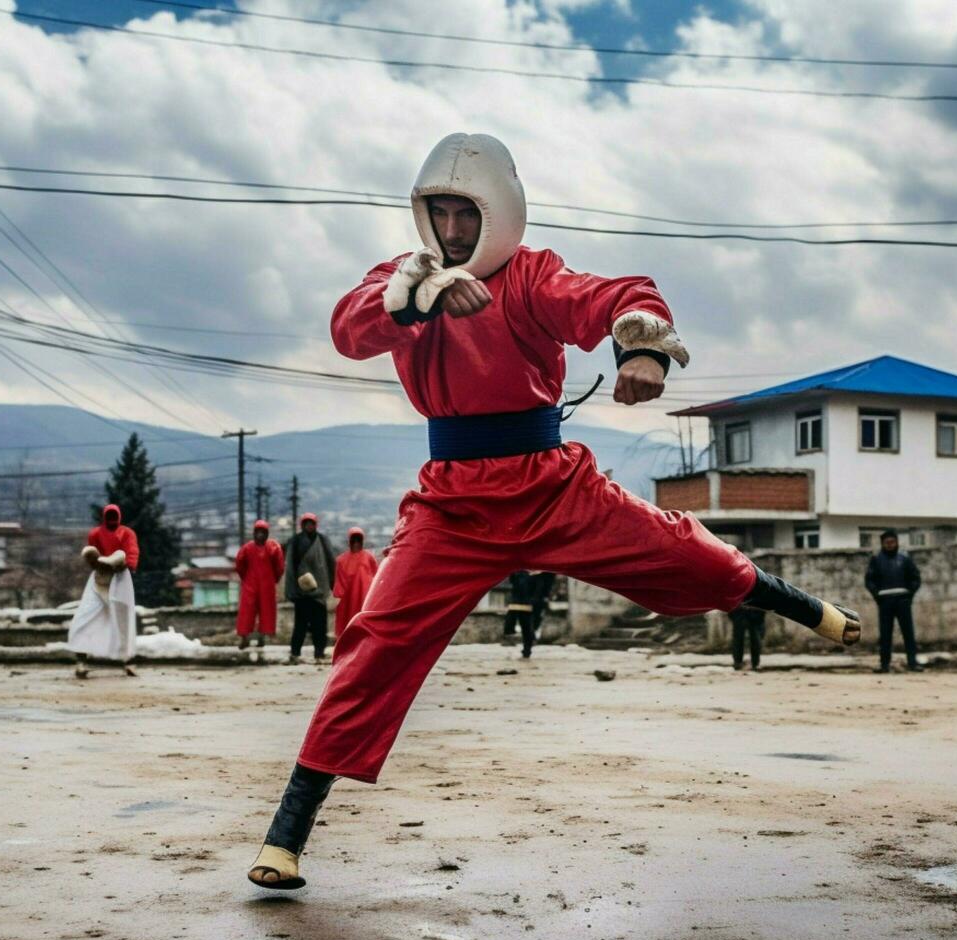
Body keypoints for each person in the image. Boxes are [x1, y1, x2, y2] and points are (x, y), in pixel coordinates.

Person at [246, 132, 860, 890]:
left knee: (683, 553)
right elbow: (348, 330)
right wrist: (417, 293)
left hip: (552, 485)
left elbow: (614, 299)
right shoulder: (402, 279)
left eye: (465, 216)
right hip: (452, 503)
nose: (451, 232)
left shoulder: (533, 276)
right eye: (438, 215)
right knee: (375, 642)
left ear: (497, 212)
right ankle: (286, 835)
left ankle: (803, 606)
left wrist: (644, 352)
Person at [69, 503, 140, 679]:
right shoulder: (95, 534)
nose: (112, 519)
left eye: (114, 516)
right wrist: (97, 562)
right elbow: (93, 554)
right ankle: (81, 661)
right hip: (99, 577)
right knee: (84, 618)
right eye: (109, 516)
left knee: (123, 620)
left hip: (120, 577)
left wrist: (127, 564)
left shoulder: (126, 533)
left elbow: (131, 553)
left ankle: (128, 661)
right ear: (104, 517)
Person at [865, 530, 922, 673]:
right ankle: (884, 665)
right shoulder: (876, 560)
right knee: (885, 634)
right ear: (882, 544)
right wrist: (877, 595)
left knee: (908, 632)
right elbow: (869, 580)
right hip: (885, 602)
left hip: (903, 601)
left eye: (892, 542)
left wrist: (909, 595)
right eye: (887, 543)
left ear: (896, 542)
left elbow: (915, 578)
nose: (890, 545)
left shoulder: (905, 559)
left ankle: (913, 663)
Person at [284, 513, 335, 665]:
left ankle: (319, 653)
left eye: (311, 524)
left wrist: (332, 584)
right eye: (306, 524)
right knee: (300, 625)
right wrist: (292, 589)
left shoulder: (323, 541)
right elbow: (291, 568)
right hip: (301, 593)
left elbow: (330, 563)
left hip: (319, 591)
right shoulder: (296, 541)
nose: (309, 526)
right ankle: (295, 653)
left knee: (320, 626)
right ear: (302, 525)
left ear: (316, 525)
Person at [235, 519, 285, 659]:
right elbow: (239, 564)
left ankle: (262, 638)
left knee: (266, 612)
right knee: (247, 612)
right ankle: (244, 639)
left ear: (267, 533)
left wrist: (273, 579)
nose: (260, 535)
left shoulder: (272, 548)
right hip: (252, 583)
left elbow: (279, 565)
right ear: (254, 533)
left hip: (265, 584)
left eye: (263, 532)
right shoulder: (248, 548)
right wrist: (246, 578)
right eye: (258, 532)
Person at [332, 526, 378, 650]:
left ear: (362, 541)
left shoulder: (369, 557)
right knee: (348, 622)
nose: (356, 543)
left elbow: (376, 575)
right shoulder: (341, 560)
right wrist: (339, 596)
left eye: (359, 540)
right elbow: (339, 580)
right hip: (349, 598)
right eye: (354, 540)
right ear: (350, 541)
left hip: (364, 596)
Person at [503, 570, 540, 658]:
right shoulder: (521, 574)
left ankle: (526, 649)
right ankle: (527, 649)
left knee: (524, 628)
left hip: (522, 604)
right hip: (522, 604)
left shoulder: (521, 575)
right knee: (526, 628)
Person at [728, 603, 768, 671]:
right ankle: (741, 663)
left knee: (754, 638)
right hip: (742, 610)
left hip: (751, 610)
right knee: (740, 638)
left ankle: (751, 663)